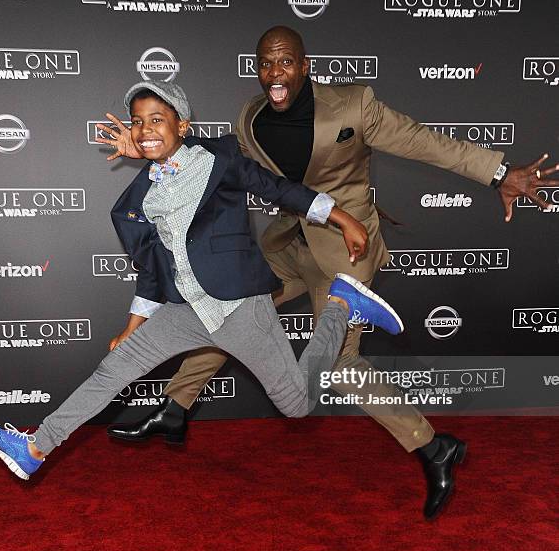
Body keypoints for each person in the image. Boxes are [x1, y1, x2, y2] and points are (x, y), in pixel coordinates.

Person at [98, 26, 558, 520]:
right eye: (265, 64)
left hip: (346, 250)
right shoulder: (251, 117)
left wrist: (499, 173)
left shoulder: (354, 106)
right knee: (225, 307)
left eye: (285, 63)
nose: (274, 74)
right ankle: (175, 410)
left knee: (340, 365)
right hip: (289, 243)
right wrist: (151, 144)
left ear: (305, 64)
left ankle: (433, 447)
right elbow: (216, 160)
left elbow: (423, 142)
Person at [0, 81, 405, 481]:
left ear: (183, 124)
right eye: (138, 122)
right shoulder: (139, 196)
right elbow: (153, 269)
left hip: (238, 307)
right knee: (114, 370)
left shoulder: (221, 161)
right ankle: (35, 447)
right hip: (185, 310)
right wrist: (132, 327)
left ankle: (341, 304)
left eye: (157, 120)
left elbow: (278, 189)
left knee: (295, 405)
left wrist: (341, 215)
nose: (145, 130)